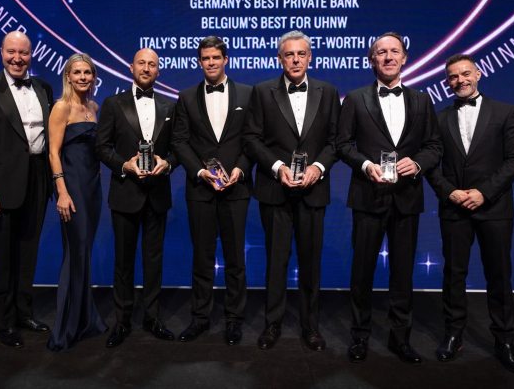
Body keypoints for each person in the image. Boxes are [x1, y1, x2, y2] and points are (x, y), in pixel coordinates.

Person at [336, 32, 442, 364]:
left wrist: (419, 163)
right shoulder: (355, 99)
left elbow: (434, 146)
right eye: (381, 52)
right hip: (367, 196)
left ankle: (400, 339)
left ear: (404, 58)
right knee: (362, 271)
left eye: (394, 51)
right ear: (372, 60)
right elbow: (342, 145)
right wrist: (365, 165)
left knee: (403, 273)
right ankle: (360, 337)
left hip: (407, 197)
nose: (388, 57)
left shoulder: (422, 100)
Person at [426, 54, 514, 374]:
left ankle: (505, 341)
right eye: (454, 77)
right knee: (454, 275)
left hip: (494, 208)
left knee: (499, 276)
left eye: (466, 73)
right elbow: (430, 164)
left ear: (478, 74)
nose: (461, 80)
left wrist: (484, 192)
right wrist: (449, 192)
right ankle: (453, 335)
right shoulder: (439, 118)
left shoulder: (505, 111)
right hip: (454, 208)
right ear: (447, 82)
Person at [243, 30, 340, 351]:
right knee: (276, 260)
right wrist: (277, 167)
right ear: (279, 59)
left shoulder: (328, 92)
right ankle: (272, 324)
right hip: (274, 189)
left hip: (314, 191)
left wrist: (318, 167)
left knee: (311, 262)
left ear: (310, 57)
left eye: (301, 54)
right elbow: (251, 139)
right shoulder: (262, 91)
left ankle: (310, 327)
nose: (295, 60)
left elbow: (336, 141)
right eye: (289, 55)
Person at [0, 31, 54, 348]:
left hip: (38, 177)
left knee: (28, 252)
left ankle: (23, 313)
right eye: (12, 52)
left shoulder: (44, 87)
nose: (18, 58)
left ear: (32, 55)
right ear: (1, 52)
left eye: (24, 53)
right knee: (2, 256)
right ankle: (4, 323)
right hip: (1, 185)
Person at [172, 36, 253, 345]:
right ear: (199, 62)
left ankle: (234, 320)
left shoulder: (247, 93)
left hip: (236, 189)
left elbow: (253, 139)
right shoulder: (186, 97)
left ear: (225, 59)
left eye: (216, 57)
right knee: (202, 257)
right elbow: (180, 141)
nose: (211, 62)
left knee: (235, 259)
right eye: (205, 58)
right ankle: (200, 319)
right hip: (201, 190)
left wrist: (240, 169)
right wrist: (199, 171)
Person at [95, 48, 179, 348]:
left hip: (157, 194)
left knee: (154, 261)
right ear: (131, 68)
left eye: (152, 64)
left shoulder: (170, 106)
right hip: (125, 193)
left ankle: (152, 317)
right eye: (141, 63)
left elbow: (178, 149)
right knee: (123, 261)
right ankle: (122, 320)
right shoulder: (112, 103)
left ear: (158, 71)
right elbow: (101, 147)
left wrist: (167, 164)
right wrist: (125, 165)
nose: (146, 68)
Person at [46, 53, 109, 352]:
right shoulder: (61, 107)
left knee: (84, 253)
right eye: (77, 72)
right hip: (71, 189)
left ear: (94, 77)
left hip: (92, 188)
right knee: (75, 253)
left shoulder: (94, 107)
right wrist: (62, 191)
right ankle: (65, 330)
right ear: (68, 77)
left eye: (88, 72)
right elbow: (53, 152)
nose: (83, 77)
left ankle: (85, 320)